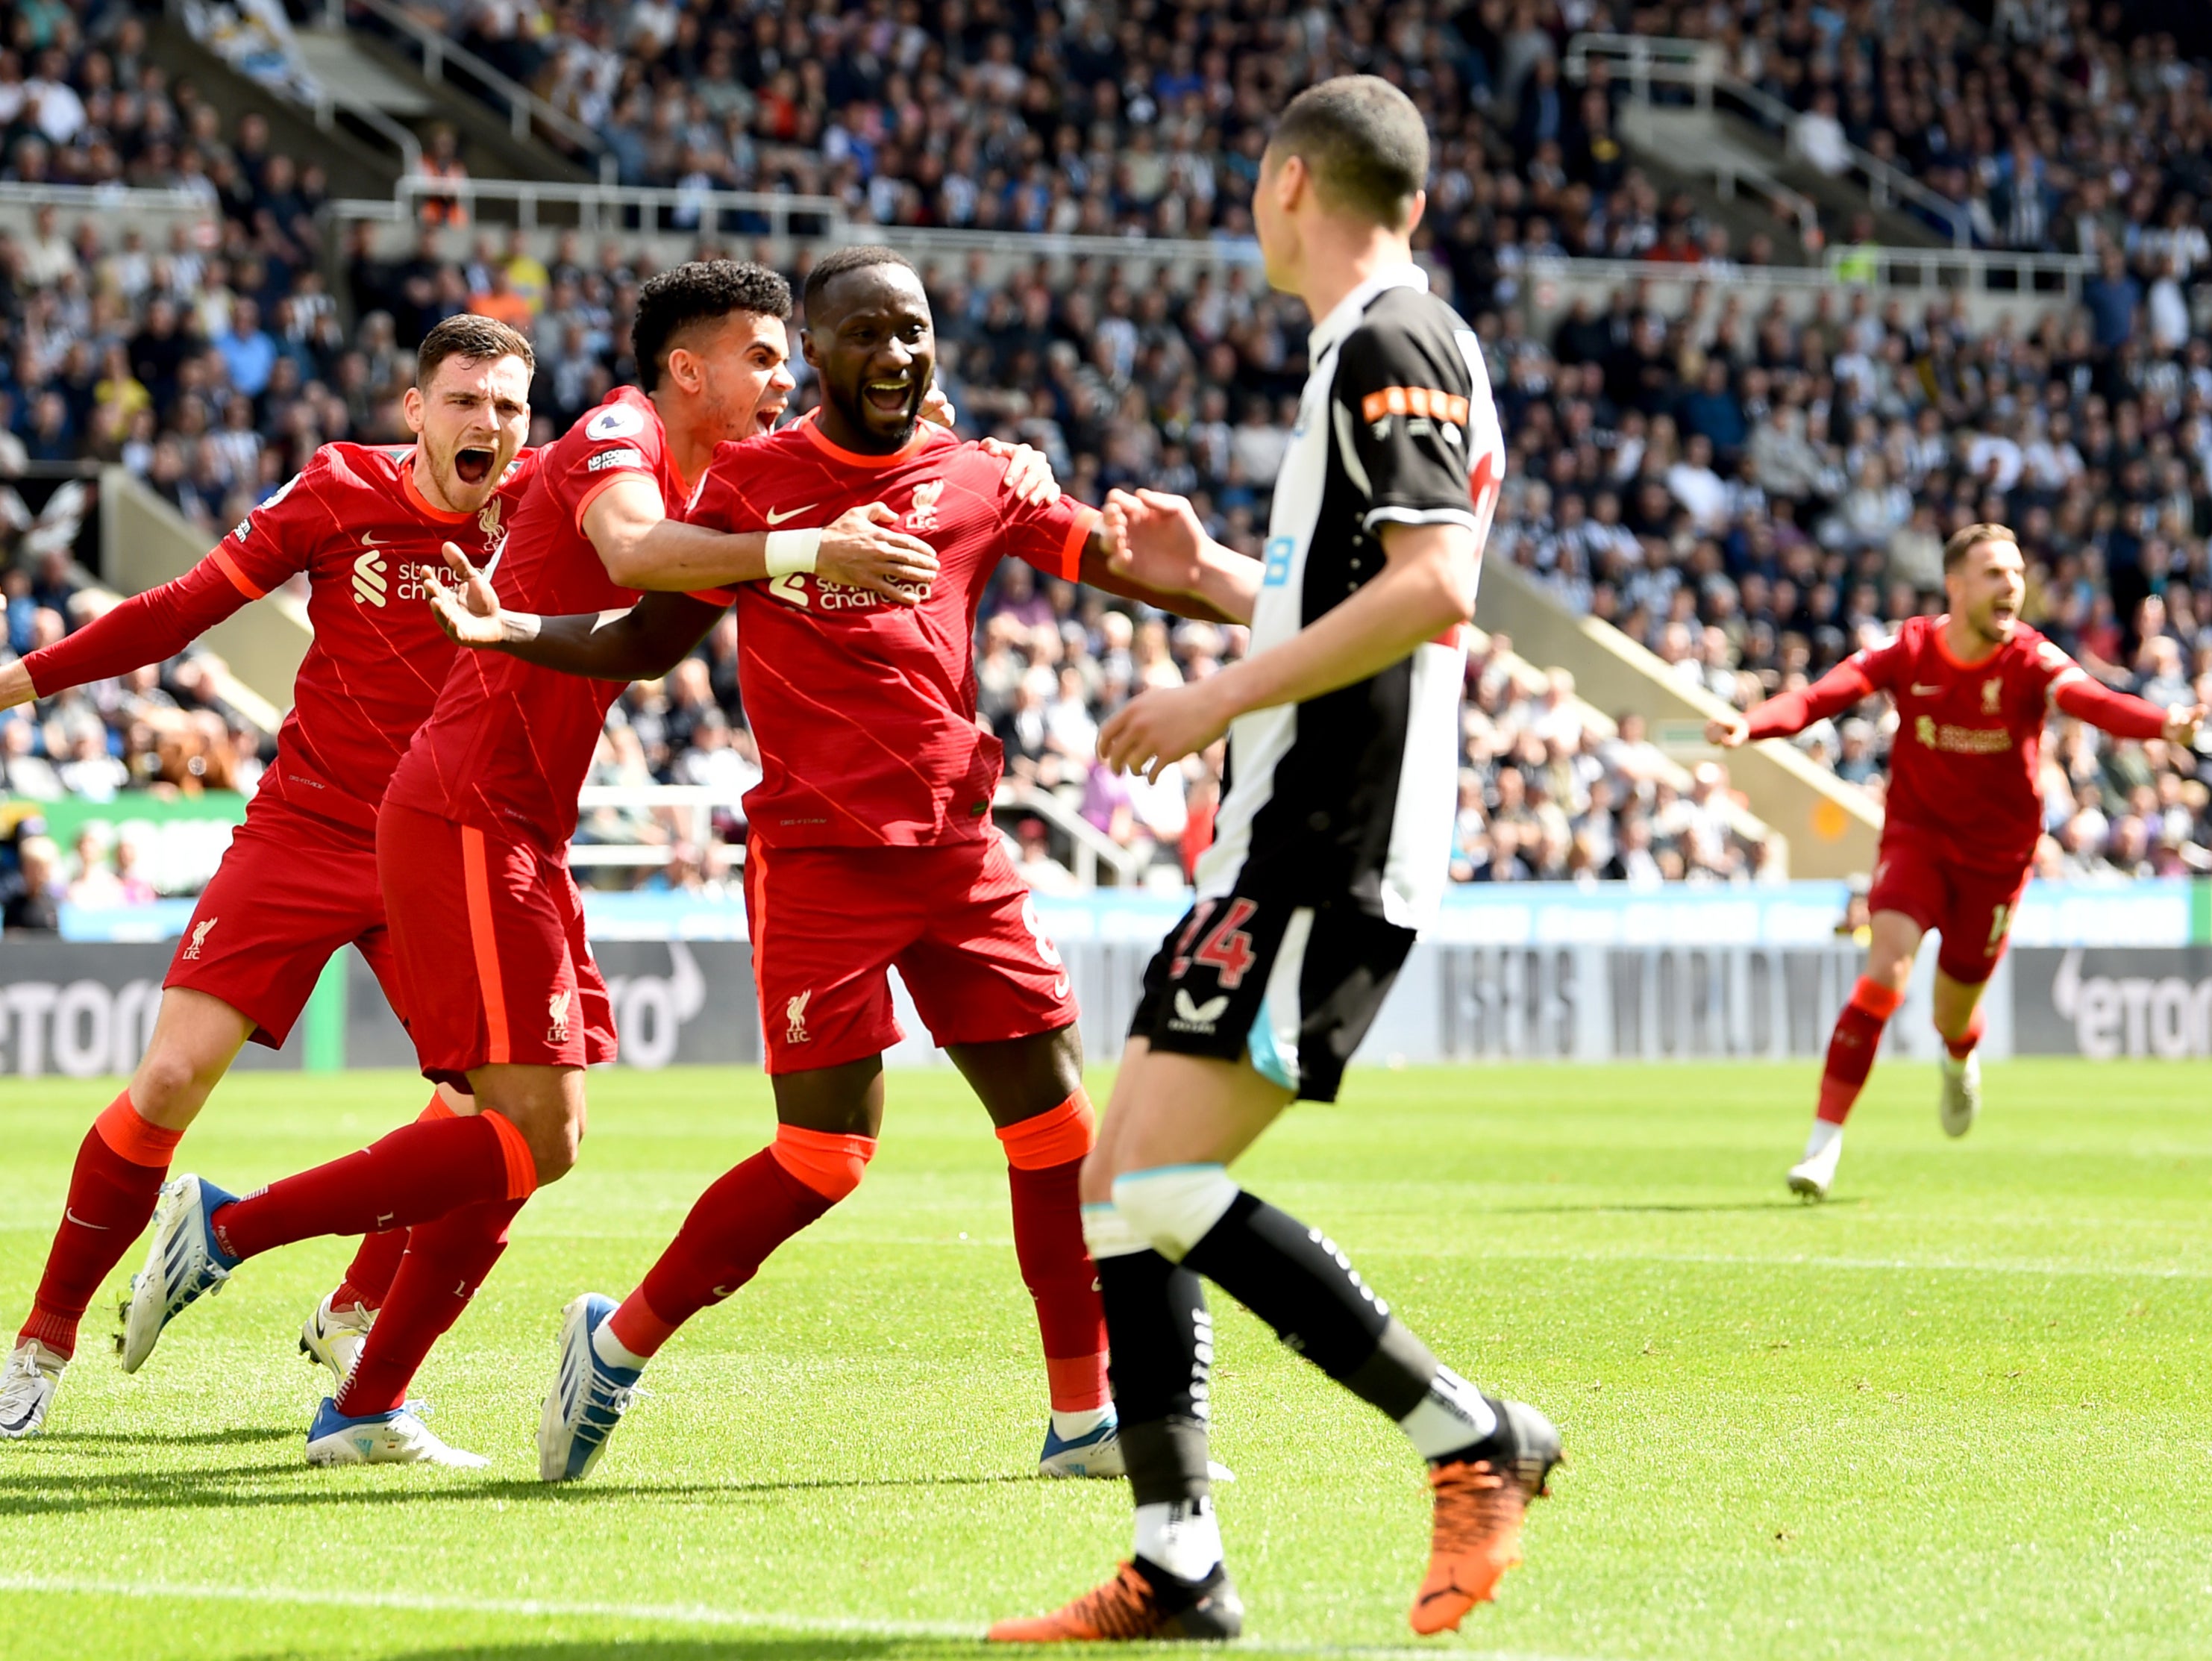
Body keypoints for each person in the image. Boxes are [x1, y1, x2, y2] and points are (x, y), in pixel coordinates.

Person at [118, 262, 1052, 1466]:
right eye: (766, 359)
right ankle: (233, 1230)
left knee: (522, 1137)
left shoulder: (715, 479)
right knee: (528, 1137)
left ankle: (360, 1398)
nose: (785, 382)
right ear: (687, 369)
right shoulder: (621, 432)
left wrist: (971, 454)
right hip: (466, 806)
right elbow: (635, 548)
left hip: (520, 824)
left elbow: (662, 632)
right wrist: (807, 542)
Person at [423, 243, 1253, 1487]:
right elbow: (648, 637)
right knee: (825, 1155)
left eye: (913, 330)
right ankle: (619, 1338)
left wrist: (1289, 620)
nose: (896, 354)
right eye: (866, 333)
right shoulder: (756, 480)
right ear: (818, 353)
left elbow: (1134, 567)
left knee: (1054, 1130)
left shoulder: (981, 475)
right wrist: (517, 628)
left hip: (960, 857)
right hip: (817, 858)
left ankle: (1083, 1416)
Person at [991, 77, 1555, 1645]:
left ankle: (1470, 1436)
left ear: (1285, 180)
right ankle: (1177, 1561)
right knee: (1119, 1189)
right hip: (1282, 842)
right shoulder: (1371, 346)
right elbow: (1359, 594)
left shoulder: (1391, 339)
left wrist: (1217, 694)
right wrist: (1213, 586)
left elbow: (1439, 586)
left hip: (1329, 837)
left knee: (1157, 1179)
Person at [0, 315, 539, 1446]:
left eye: (505, 405)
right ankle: (37, 1351)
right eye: (464, 400)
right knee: (168, 1082)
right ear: (415, 410)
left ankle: (352, 1319)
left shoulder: (542, 502)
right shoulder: (338, 489)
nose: (486, 423)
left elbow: (701, 502)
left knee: (492, 1113)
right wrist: (22, 683)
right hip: (306, 827)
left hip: (440, 848)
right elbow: (181, 609)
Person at [1708, 522, 2202, 1200]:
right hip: (1917, 839)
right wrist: (1752, 723)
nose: (2012, 587)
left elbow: (2094, 702)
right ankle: (1822, 1145)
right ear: (1956, 584)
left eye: (2017, 574)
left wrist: (2161, 723)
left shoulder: (2029, 659)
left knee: (1951, 1013)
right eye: (1996, 574)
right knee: (1883, 972)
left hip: (1997, 861)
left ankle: (1958, 1057)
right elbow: (1821, 696)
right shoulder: (1907, 649)